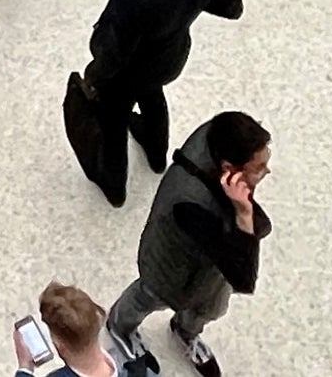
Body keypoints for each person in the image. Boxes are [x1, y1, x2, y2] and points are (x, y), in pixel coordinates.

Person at [80, 0, 243, 209]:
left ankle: (115, 187)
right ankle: (156, 155)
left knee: (114, 118)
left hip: (129, 71)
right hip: (171, 57)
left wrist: (94, 76)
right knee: (153, 95)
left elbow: (113, 50)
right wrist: (188, 3)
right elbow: (232, 8)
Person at [106, 110, 271, 377]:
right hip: (170, 262)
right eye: (259, 169)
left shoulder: (220, 136)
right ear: (229, 169)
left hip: (210, 268)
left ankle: (185, 330)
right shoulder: (190, 202)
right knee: (149, 295)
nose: (266, 171)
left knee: (211, 307)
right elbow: (243, 276)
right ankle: (120, 326)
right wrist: (244, 214)